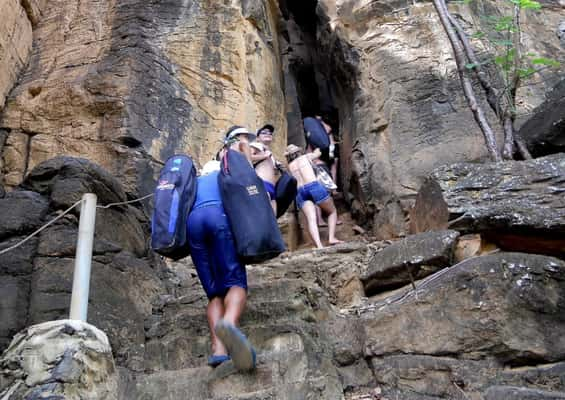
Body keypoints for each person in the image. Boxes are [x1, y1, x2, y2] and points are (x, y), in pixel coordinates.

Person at [186, 160, 256, 371]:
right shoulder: (224, 177)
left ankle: (218, 350)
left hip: (194, 224)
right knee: (235, 284)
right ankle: (229, 323)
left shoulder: (195, 183)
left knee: (214, 293)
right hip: (219, 218)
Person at [285, 144, 343, 249]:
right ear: (299, 152)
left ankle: (319, 246)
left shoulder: (289, 166)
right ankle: (331, 238)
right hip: (313, 186)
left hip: (300, 191)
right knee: (332, 211)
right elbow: (318, 153)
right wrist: (317, 145)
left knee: (311, 219)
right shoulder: (306, 157)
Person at [250, 124, 279, 214]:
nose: (268, 134)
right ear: (257, 138)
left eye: (270, 133)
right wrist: (264, 156)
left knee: (273, 220)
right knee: (263, 215)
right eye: (264, 132)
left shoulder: (269, 152)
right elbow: (246, 157)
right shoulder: (255, 145)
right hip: (262, 185)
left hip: (271, 188)